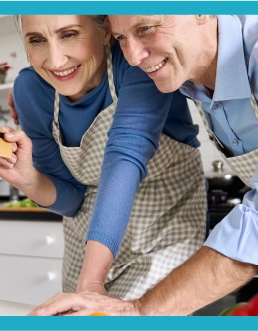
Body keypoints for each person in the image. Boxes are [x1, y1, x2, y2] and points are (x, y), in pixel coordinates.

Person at [28, 15, 258, 316]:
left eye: (146, 29)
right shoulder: (189, 70)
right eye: (121, 38)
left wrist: (139, 309)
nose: (133, 57)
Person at [0, 15, 207, 301]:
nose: (55, 60)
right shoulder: (31, 90)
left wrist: (91, 283)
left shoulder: (139, 64)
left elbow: (125, 157)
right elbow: (73, 198)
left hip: (164, 233)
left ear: (105, 31)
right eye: (37, 40)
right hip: (86, 242)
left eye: (70, 34)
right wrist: (27, 179)